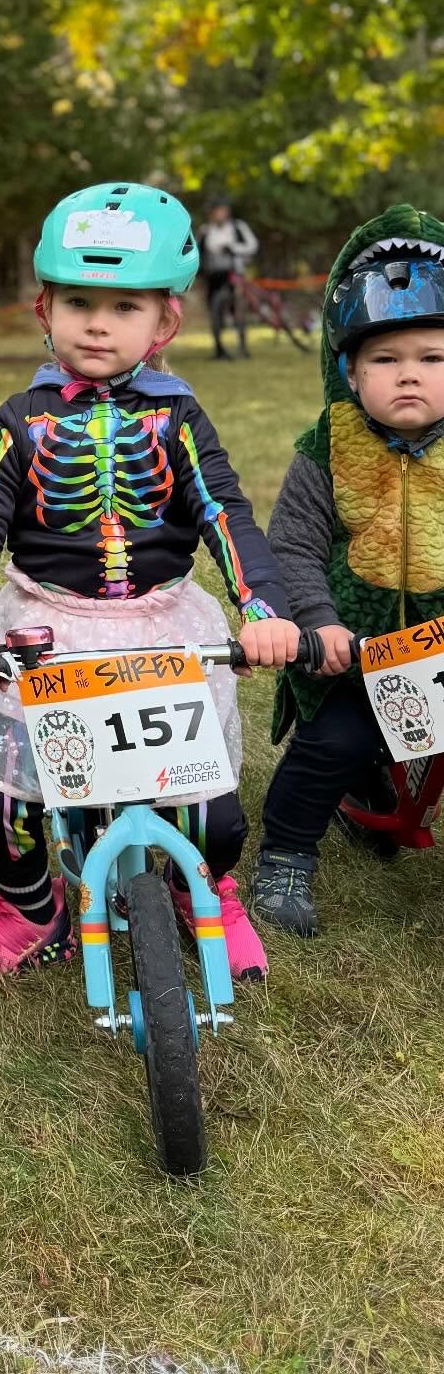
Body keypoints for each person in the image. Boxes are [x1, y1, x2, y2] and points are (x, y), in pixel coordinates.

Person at [0, 181, 298, 991]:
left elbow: (224, 512)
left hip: (162, 621)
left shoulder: (178, 417)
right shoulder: (19, 419)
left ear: (164, 322)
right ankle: (30, 910)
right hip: (47, 621)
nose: (98, 323)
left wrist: (264, 609)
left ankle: (201, 887)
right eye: (78, 302)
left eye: (124, 307)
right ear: (45, 310)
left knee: (217, 814)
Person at [254, 206, 444, 935]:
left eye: (431, 359)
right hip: (360, 656)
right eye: (385, 361)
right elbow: (295, 545)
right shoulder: (327, 450)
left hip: (439, 649)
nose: (408, 378)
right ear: (348, 372)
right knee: (333, 743)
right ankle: (287, 853)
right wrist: (320, 621)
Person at [199, 198, 259, 361]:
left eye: (222, 210)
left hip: (233, 275)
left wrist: (232, 248)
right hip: (213, 277)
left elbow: (253, 246)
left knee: (238, 310)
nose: (219, 214)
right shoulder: (206, 230)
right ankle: (219, 349)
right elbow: (199, 252)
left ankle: (243, 348)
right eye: (216, 211)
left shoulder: (238, 227)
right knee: (214, 312)